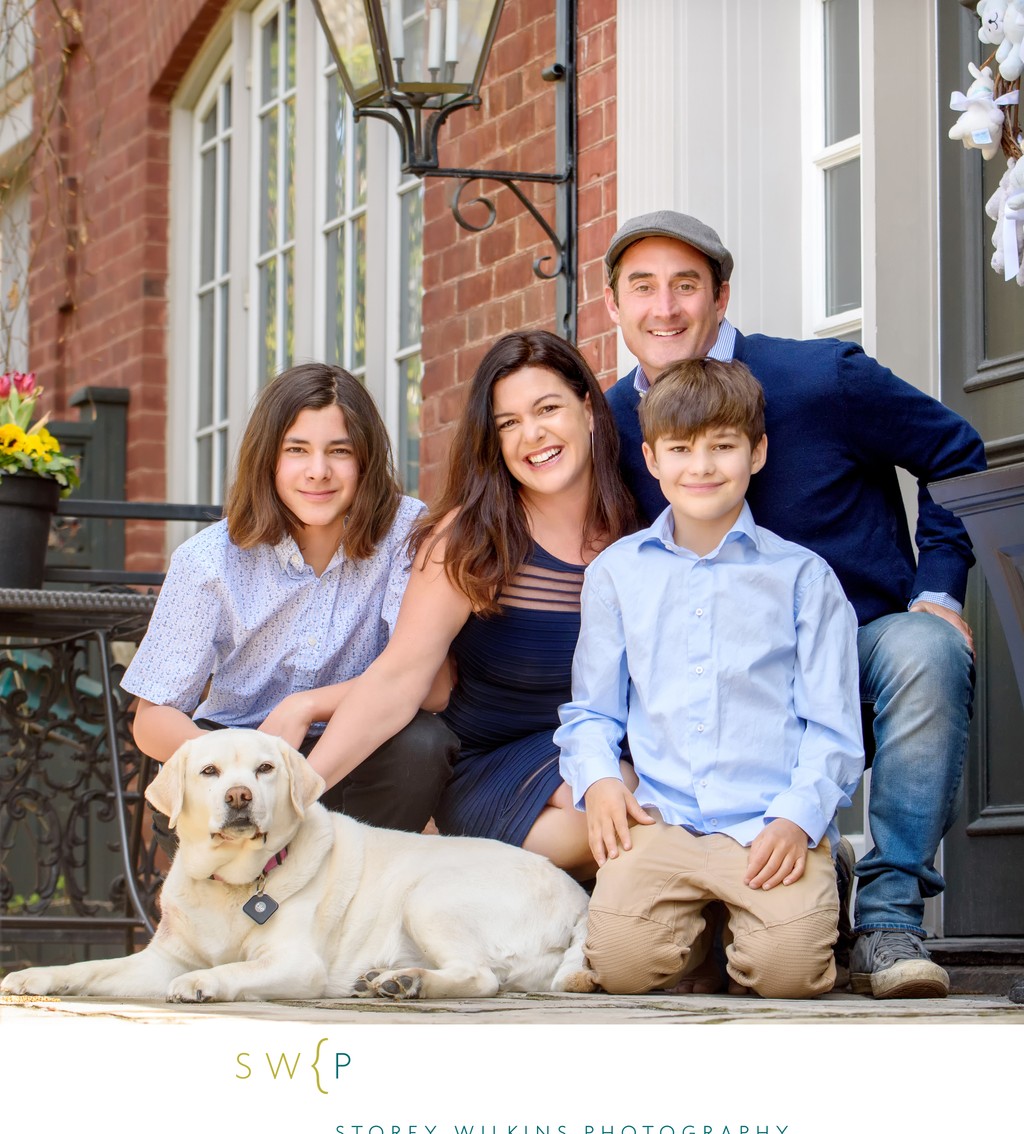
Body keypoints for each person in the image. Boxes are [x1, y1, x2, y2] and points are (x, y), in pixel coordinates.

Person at [602, 209, 987, 999]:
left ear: (721, 297)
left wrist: (938, 586)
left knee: (926, 650)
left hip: (850, 650)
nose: (664, 308)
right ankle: (746, 891)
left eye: (686, 286)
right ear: (613, 307)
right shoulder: (613, 423)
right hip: (714, 689)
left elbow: (956, 451)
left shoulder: (822, 380)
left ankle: (887, 913)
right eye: (642, 288)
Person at [556, 358, 864, 998]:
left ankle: (816, 878)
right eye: (681, 449)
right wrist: (603, 784)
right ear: (651, 458)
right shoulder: (616, 575)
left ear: (757, 453)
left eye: (723, 447)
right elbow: (591, 712)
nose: (701, 466)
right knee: (620, 966)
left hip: (769, 825)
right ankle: (701, 928)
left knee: (789, 975)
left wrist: (801, 818)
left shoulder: (803, 578)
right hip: (664, 820)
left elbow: (833, 727)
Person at [293, 330, 640, 878]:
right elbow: (398, 679)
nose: (533, 434)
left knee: (633, 799)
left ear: (590, 411)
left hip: (604, 754)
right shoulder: (470, 540)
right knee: (626, 818)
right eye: (508, 423)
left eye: (547, 408)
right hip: (491, 765)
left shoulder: (638, 530)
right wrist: (301, 794)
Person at [122, 362, 457, 833]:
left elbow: (435, 685)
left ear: (364, 459)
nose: (317, 471)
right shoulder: (208, 560)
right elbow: (152, 719)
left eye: (338, 451)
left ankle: (357, 898)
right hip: (241, 745)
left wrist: (306, 705)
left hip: (358, 751)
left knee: (423, 745)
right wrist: (233, 769)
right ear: (269, 459)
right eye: (296, 450)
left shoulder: (406, 532)